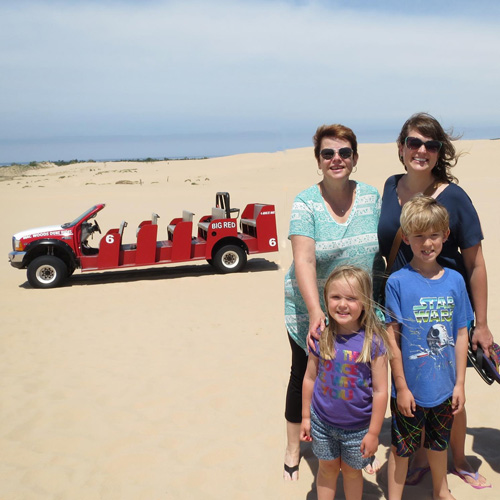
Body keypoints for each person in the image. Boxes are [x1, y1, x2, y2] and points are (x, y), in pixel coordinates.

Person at [378, 112, 493, 488]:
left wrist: (482, 323)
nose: (422, 150)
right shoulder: (389, 186)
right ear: (401, 147)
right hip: (401, 301)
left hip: (444, 303)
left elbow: (475, 263)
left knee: (448, 390)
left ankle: (456, 459)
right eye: (414, 142)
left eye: (431, 144)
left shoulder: (454, 196)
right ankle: (421, 458)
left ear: (439, 151)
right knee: (408, 384)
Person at [283, 124, 384, 480]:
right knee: (305, 374)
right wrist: (315, 312)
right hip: (311, 307)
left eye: (344, 152)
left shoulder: (372, 196)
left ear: (355, 158)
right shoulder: (305, 202)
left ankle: (360, 446)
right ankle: (294, 446)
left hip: (360, 309)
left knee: (363, 375)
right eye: (328, 153)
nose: (336, 159)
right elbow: (304, 260)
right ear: (318, 160)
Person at [385, 195, 470, 500]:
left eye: (434, 234)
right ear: (406, 237)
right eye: (418, 235)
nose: (427, 242)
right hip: (409, 388)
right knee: (402, 447)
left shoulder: (456, 281)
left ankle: (440, 490)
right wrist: (401, 386)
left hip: (445, 388)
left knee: (438, 443)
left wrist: (460, 383)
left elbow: (461, 334)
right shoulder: (397, 282)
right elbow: (392, 337)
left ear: (445, 236)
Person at [301, 265, 390, 500]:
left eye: (351, 298)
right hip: (322, 423)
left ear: (364, 303)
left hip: (358, 429)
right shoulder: (320, 336)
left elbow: (381, 391)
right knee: (327, 469)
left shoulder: (374, 342)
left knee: (352, 473)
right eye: (336, 297)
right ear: (326, 299)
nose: (342, 304)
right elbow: (310, 377)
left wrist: (373, 432)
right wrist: (306, 417)